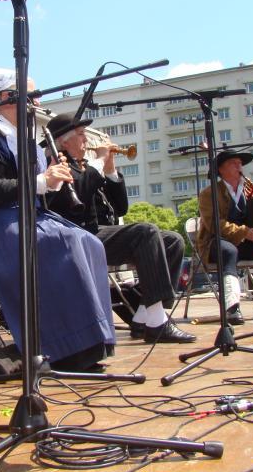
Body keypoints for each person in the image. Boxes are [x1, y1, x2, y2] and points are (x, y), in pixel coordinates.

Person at [0, 69, 115, 372]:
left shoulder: (25, 138)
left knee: (88, 241)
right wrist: (42, 180)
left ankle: (88, 343)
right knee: (62, 243)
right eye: (31, 95)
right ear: (5, 98)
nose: (38, 100)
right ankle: (62, 348)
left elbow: (39, 195)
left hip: (22, 218)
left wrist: (53, 183)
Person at [46, 114, 196, 344]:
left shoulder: (84, 166)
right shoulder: (57, 163)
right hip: (77, 235)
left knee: (173, 240)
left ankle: (144, 316)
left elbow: (121, 207)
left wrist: (110, 168)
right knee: (145, 232)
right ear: (64, 142)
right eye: (80, 134)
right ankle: (157, 324)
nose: (86, 139)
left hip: (98, 231)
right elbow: (80, 191)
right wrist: (99, 161)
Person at [196, 150, 253, 325]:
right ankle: (231, 305)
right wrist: (246, 232)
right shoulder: (209, 194)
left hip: (250, 244)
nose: (239, 165)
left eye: (240, 162)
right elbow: (214, 224)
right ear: (221, 169)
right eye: (233, 162)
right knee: (229, 251)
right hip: (218, 244)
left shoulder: (251, 188)